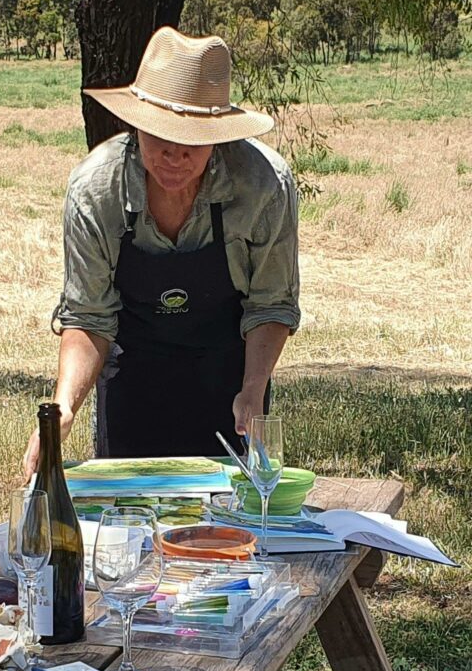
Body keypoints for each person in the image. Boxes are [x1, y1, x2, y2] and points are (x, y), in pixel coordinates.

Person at [25, 26, 300, 473]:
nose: (174, 157)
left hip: (230, 376)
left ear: (220, 135)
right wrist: (64, 410)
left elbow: (271, 303)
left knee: (229, 527)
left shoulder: (263, 185)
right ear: (136, 125)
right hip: (134, 375)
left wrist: (253, 390)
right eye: (159, 137)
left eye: (191, 141)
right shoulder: (96, 190)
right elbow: (88, 316)